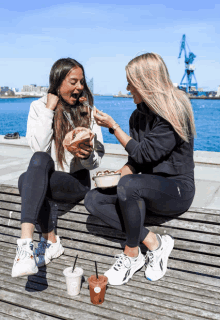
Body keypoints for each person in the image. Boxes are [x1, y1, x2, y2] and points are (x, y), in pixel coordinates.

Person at [84, 52, 196, 286]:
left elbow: (145, 153)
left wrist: (113, 127)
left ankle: (131, 253)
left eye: (131, 82)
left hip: (177, 190)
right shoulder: (137, 117)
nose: (127, 88)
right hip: (146, 188)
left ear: (146, 82)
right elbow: (139, 160)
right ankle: (154, 242)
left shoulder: (174, 111)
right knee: (93, 199)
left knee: (129, 184)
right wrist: (124, 171)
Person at [12, 58, 104, 278]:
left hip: (75, 182)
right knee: (32, 170)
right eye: (73, 81)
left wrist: (87, 154)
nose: (79, 87)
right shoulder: (38, 107)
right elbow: (39, 148)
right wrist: (49, 110)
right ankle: (27, 245)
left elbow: (97, 161)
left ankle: (47, 240)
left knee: (27, 181)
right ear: (58, 81)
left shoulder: (88, 111)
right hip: (47, 178)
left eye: (81, 82)